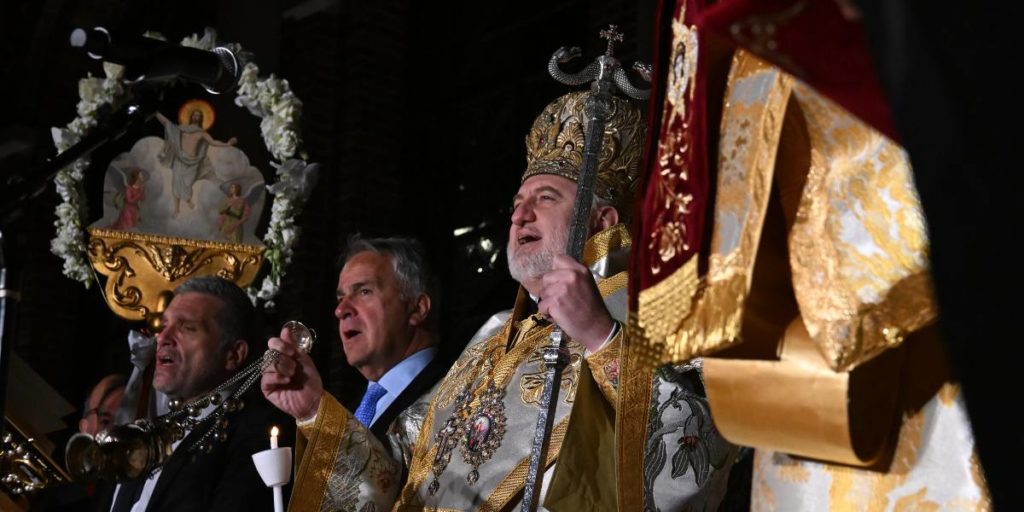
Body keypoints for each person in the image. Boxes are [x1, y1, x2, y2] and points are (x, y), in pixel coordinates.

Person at [262, 89, 738, 510]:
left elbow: (698, 457)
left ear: (602, 222)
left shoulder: (657, 315)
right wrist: (312, 411)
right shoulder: (492, 336)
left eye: (545, 198)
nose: (519, 215)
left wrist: (600, 336)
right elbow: (396, 480)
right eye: (516, 204)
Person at [261, 236, 449, 477]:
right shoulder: (348, 411)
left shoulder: (455, 396)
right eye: (340, 298)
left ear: (417, 308)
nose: (340, 310)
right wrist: (313, 413)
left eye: (364, 291)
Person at [103, 276, 292, 512]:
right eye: (163, 326)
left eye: (187, 327)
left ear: (233, 354)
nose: (162, 338)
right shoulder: (151, 433)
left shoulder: (255, 436)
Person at [156, 105, 237, 217]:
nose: (196, 117)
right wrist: (156, 113)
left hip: (193, 162)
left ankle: (188, 199)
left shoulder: (202, 133)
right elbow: (168, 124)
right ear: (191, 116)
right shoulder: (182, 128)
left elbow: (213, 142)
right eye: (195, 115)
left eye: (198, 116)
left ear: (201, 118)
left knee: (187, 184)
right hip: (179, 160)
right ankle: (176, 209)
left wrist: (227, 144)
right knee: (176, 184)